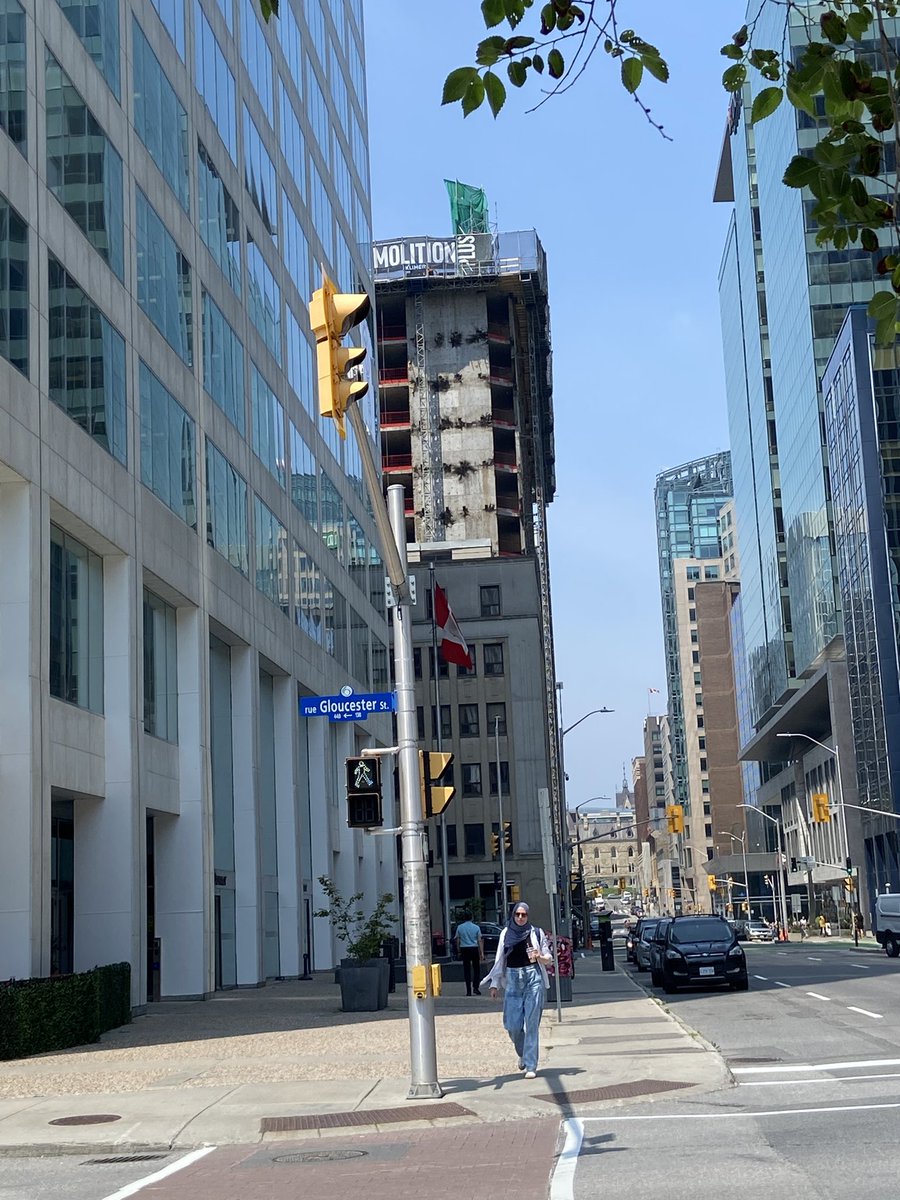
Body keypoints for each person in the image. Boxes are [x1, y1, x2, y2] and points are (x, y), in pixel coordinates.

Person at [481, 901, 552, 1080]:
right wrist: (495, 984)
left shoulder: (536, 933)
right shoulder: (506, 933)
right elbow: (500, 960)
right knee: (512, 1025)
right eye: (517, 914)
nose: (520, 918)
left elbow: (549, 958)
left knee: (532, 1024)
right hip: (513, 979)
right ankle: (522, 1052)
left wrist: (540, 957)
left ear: (528, 916)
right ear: (513, 915)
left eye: (524, 915)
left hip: (533, 978)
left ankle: (531, 1064)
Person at [454, 911, 483, 996]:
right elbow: (479, 940)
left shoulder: (459, 927)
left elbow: (458, 940)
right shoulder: (476, 927)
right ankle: (476, 988)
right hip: (474, 948)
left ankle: (468, 990)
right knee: (476, 969)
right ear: (472, 918)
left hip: (464, 949)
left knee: (466, 970)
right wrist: (481, 953)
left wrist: (458, 950)